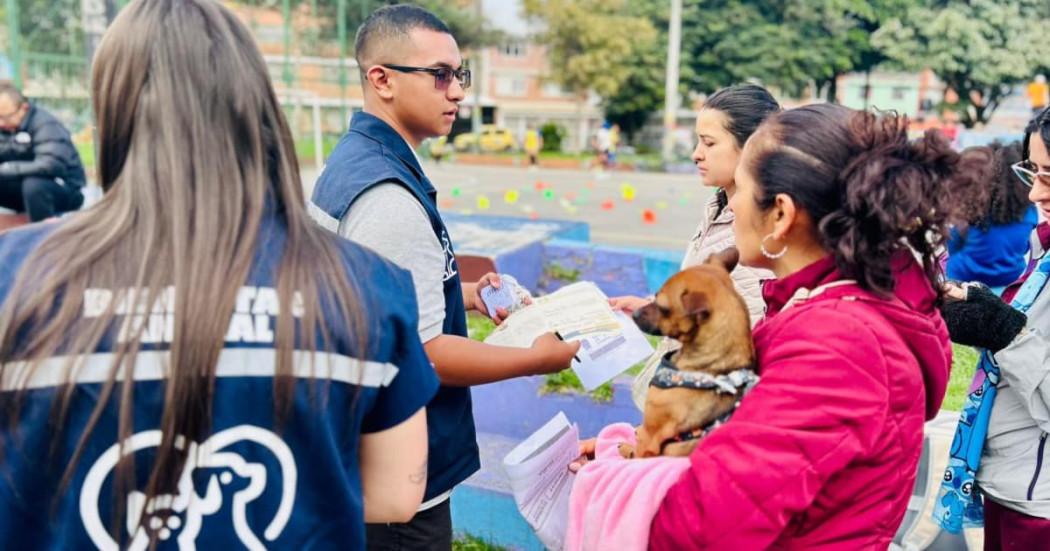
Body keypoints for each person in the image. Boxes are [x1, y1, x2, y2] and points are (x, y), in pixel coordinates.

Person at [0, 1, 436, 548]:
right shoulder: (368, 288)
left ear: (109, 119)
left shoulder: (14, 278)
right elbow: (397, 493)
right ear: (259, 116)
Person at [308, 5, 579, 549]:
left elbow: (383, 303)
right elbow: (425, 353)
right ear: (380, 79)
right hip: (399, 487)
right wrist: (538, 359)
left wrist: (467, 293)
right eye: (439, 75)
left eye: (460, 74)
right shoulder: (387, 196)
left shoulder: (356, 160)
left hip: (359, 454)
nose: (456, 91)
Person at [646, 104, 963, 548]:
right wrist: (640, 450)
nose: (732, 204)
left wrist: (618, 482)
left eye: (739, 188)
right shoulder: (834, 306)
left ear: (780, 214)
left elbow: (700, 529)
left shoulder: (838, 345)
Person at [611, 84, 779, 411]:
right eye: (697, 141)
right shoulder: (718, 205)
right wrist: (655, 309)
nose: (696, 154)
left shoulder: (756, 235)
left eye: (709, 143)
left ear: (752, 147)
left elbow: (734, 342)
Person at [938, 106, 1050, 548]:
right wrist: (988, 320)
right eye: (1033, 173)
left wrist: (1007, 334)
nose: (1034, 195)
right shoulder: (1040, 250)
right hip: (1014, 483)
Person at [947, 141, 1038, 292]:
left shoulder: (977, 206)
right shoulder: (1030, 213)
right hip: (1009, 281)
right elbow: (1027, 246)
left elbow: (953, 242)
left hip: (964, 278)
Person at [0, 83, 85, 221]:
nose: (1, 123)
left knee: (33, 185)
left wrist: (6, 168)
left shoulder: (45, 124)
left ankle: (41, 235)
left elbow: (50, 165)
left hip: (64, 189)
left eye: (6, 117)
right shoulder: (5, 128)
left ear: (23, 108)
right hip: (25, 191)